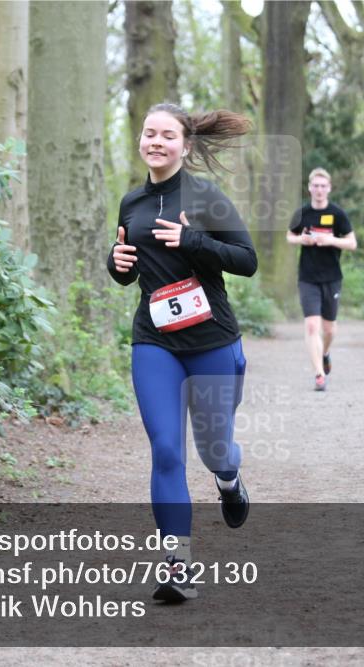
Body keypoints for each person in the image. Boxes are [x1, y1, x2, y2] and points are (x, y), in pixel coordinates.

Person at [107, 102, 256, 603]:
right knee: (167, 449)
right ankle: (178, 565)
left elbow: (246, 261)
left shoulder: (205, 195)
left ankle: (229, 480)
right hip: (155, 341)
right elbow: (130, 269)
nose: (155, 141)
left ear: (185, 146)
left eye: (166, 135)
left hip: (212, 340)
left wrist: (193, 240)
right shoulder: (131, 203)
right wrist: (117, 262)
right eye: (149, 133)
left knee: (214, 449)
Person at [286, 168, 357, 391]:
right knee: (311, 325)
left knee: (329, 330)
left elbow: (352, 243)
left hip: (332, 277)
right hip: (307, 277)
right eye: (315, 186)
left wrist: (330, 240)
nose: (319, 190)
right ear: (309, 188)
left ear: (329, 188)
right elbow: (290, 236)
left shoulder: (337, 214)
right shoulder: (302, 213)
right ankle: (319, 374)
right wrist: (302, 240)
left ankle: (325, 352)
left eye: (323, 186)